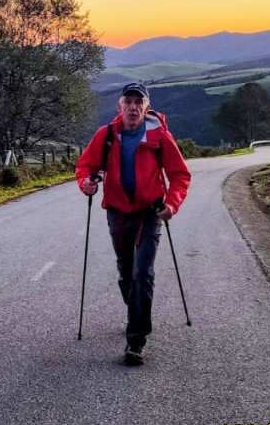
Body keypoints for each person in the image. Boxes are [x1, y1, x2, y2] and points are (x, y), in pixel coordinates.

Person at [75, 82, 192, 366]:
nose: (133, 107)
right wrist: (87, 184)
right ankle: (136, 310)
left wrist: (171, 204)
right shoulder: (106, 136)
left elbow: (180, 175)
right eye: (128, 101)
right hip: (117, 212)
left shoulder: (160, 137)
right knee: (126, 271)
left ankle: (136, 340)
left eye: (139, 102)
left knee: (142, 273)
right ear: (119, 107)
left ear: (146, 108)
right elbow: (85, 168)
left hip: (150, 212)